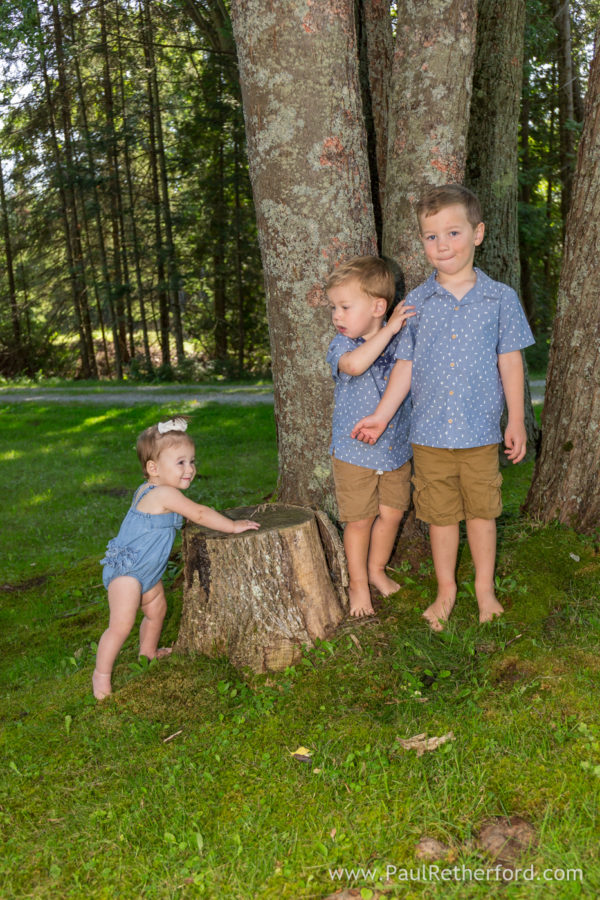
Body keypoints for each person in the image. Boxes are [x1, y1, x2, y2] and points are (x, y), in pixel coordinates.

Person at [351, 185, 534, 630]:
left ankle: (485, 591)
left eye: (453, 232)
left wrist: (516, 419)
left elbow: (511, 362)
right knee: (440, 516)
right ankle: (446, 589)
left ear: (478, 234)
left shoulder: (500, 298)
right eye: (431, 237)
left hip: (480, 434)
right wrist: (381, 415)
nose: (443, 244)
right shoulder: (415, 303)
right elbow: (406, 367)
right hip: (429, 435)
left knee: (483, 513)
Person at [93, 416, 260, 699]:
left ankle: (147, 653)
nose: (190, 469)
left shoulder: (155, 489)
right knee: (121, 625)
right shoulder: (162, 494)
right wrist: (232, 526)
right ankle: (101, 675)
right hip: (128, 573)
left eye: (192, 461)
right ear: (153, 469)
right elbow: (199, 513)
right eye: (180, 462)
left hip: (147, 572)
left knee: (156, 611)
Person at [326, 256, 415, 618]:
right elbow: (356, 365)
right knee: (359, 520)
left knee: (392, 513)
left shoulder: (403, 341)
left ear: (379, 306)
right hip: (353, 451)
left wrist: (395, 332)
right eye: (334, 307)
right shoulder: (341, 346)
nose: (337, 315)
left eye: (345, 307)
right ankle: (358, 584)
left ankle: (376, 569)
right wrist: (388, 330)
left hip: (395, 450)